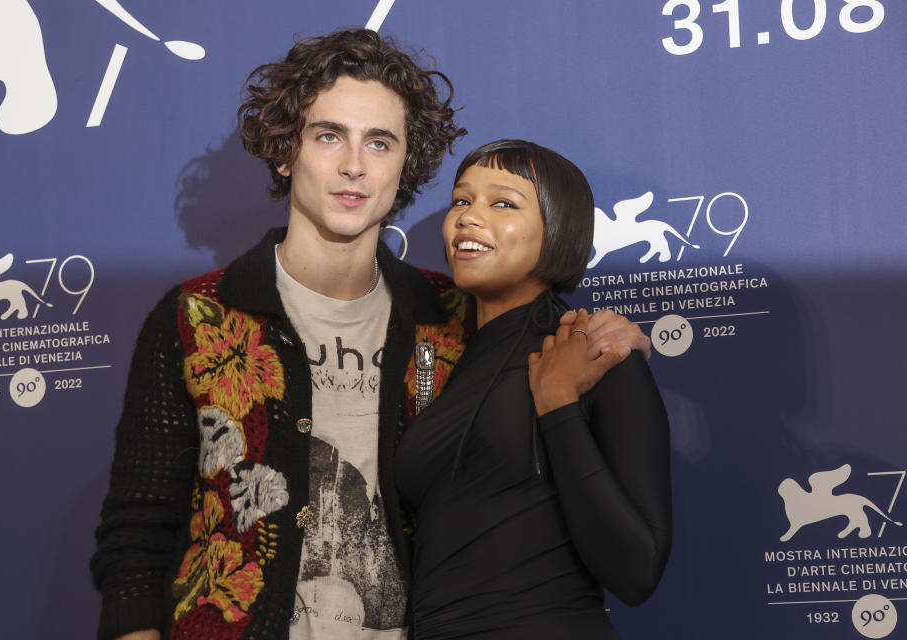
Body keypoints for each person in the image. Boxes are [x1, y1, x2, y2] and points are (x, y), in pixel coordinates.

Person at [90, 31, 651, 640]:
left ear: (405, 164)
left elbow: (544, 340)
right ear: (285, 152)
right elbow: (136, 537)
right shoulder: (199, 315)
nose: (354, 165)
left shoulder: (455, 315)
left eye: (379, 142)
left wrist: (605, 336)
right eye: (328, 135)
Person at [395, 140, 672, 639]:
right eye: (462, 200)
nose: (468, 217)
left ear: (558, 228)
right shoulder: (441, 355)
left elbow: (637, 571)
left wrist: (558, 406)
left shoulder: (598, 351)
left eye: (502, 203)